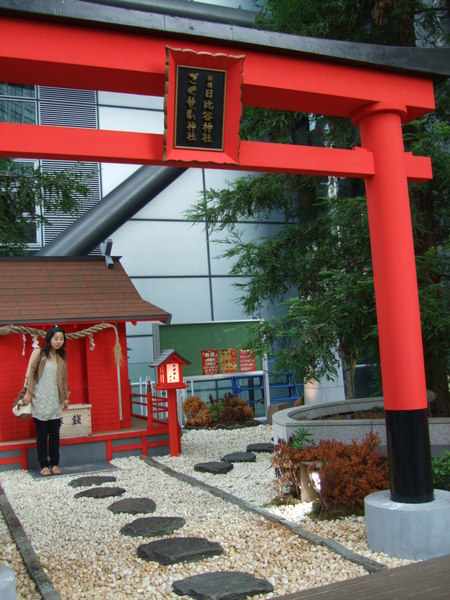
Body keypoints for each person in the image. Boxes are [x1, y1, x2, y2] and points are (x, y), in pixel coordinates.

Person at [22, 325, 70, 476]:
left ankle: (55, 463)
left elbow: (63, 378)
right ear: (49, 339)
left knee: (55, 434)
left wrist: (66, 397)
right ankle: (44, 464)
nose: (58, 342)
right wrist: (28, 392)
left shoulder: (62, 356)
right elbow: (30, 372)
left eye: (61, 339)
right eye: (56, 338)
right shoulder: (39, 353)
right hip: (40, 398)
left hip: (55, 400)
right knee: (42, 435)